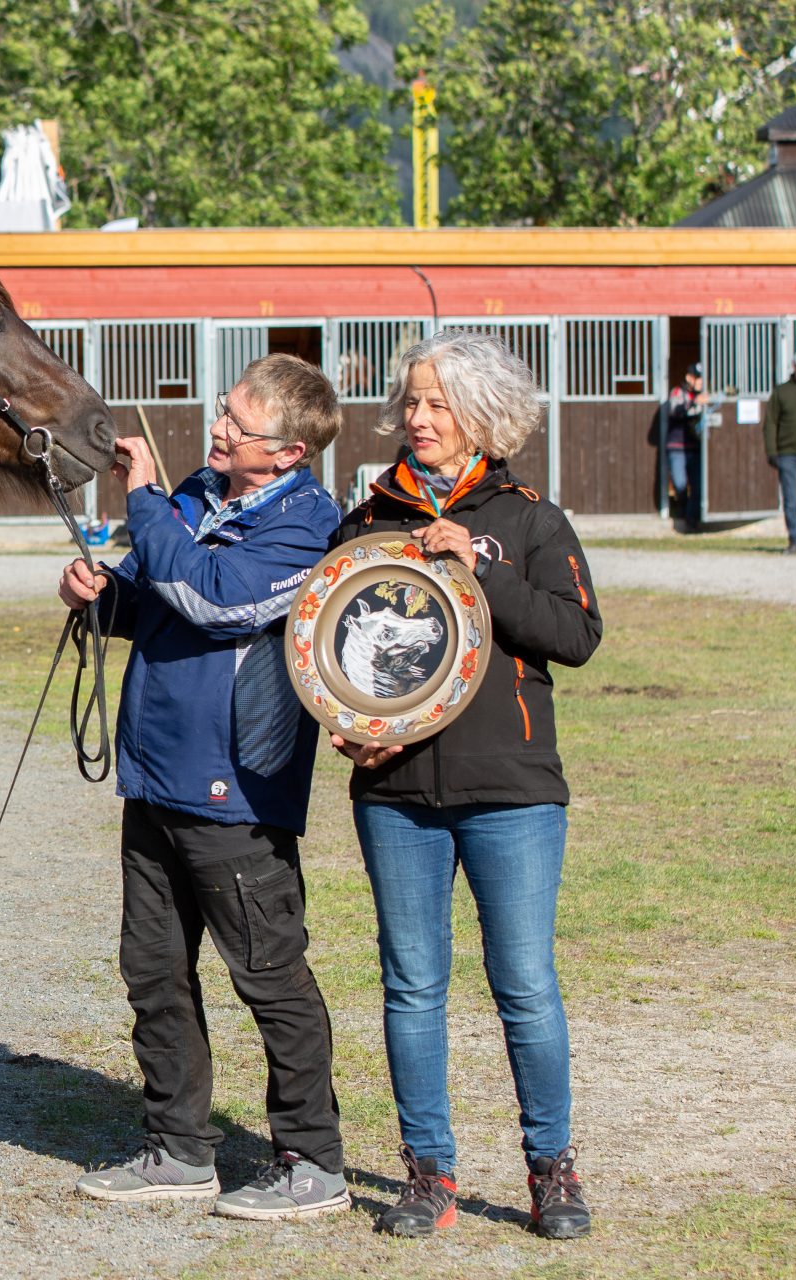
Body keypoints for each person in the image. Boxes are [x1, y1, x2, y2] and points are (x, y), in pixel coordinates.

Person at [58, 354, 346, 1222]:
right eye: (222, 412)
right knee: (153, 972)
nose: (217, 429)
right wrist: (98, 595)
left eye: (237, 423)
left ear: (289, 451)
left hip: (236, 791)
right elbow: (158, 597)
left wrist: (144, 504)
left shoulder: (307, 525)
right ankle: (178, 1149)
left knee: (267, 975)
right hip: (153, 778)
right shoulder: (197, 494)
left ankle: (312, 1159)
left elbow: (217, 600)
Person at [331, 329, 601, 1241]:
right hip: (397, 798)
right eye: (411, 402)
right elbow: (327, 655)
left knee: (524, 984)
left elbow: (576, 635)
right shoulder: (365, 521)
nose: (418, 418)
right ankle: (428, 1174)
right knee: (411, 987)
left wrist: (481, 567)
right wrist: (346, 727)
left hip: (513, 790)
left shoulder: (531, 519)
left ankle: (552, 1171)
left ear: (483, 413)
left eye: (437, 403)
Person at [663, 363, 709, 532]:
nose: (700, 382)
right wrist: (694, 402)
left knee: (698, 486)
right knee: (680, 484)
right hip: (677, 447)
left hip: (695, 447)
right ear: (689, 377)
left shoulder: (703, 396)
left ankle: (691, 521)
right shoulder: (678, 393)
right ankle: (681, 513)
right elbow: (675, 410)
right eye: (698, 378)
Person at [763, 361, 796, 554]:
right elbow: (770, 423)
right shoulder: (781, 392)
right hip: (787, 454)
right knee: (791, 500)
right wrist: (771, 451)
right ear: (795, 366)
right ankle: (794, 539)